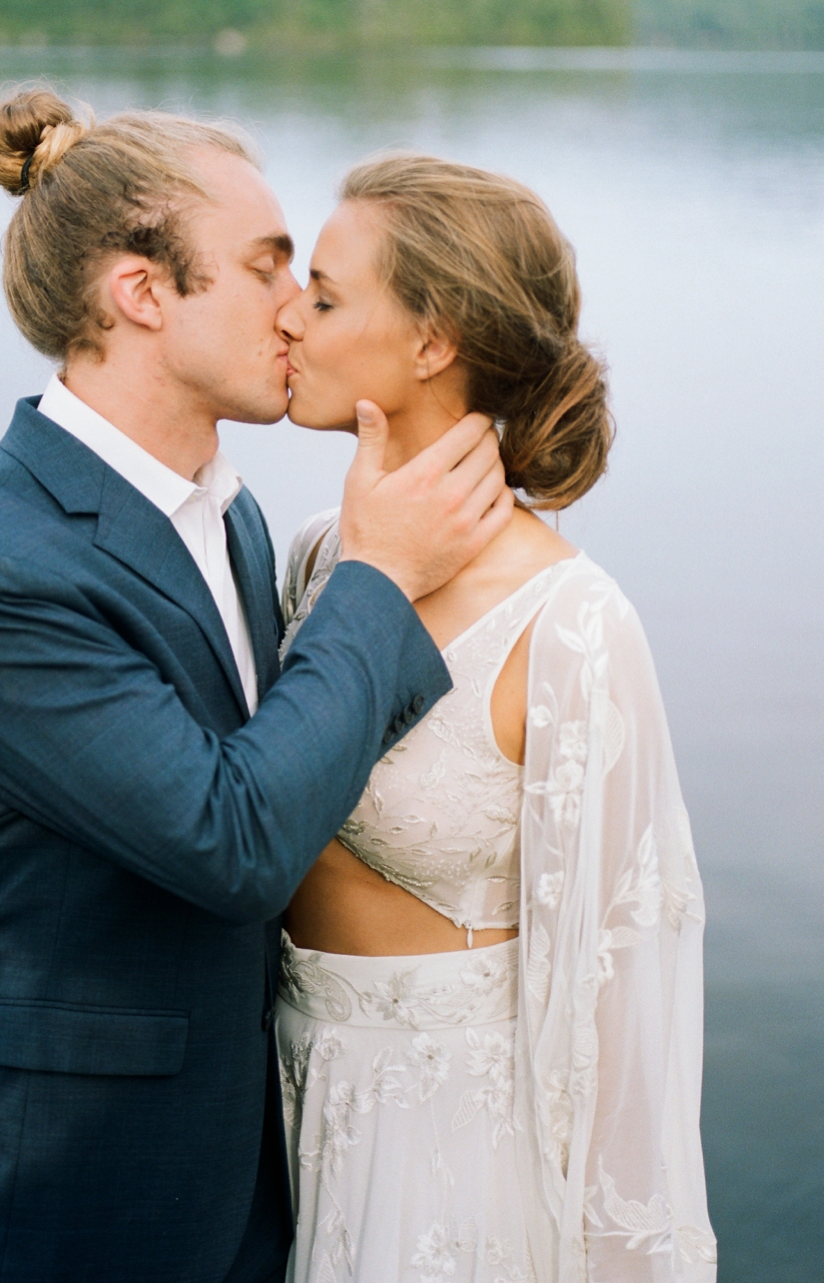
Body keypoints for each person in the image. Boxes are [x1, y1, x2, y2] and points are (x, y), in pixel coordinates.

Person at [0, 91, 514, 1284]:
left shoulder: (237, 513)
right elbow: (232, 838)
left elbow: (295, 754)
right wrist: (378, 574)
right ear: (141, 293)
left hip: (231, 1173)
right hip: (34, 1195)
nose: (299, 306)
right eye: (264, 268)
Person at [274, 154, 717, 1283]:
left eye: (323, 295)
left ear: (431, 341)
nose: (287, 315)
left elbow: (621, 992)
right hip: (274, 1115)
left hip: (446, 1162)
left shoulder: (570, 624)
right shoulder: (314, 555)